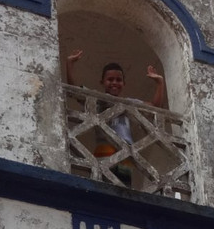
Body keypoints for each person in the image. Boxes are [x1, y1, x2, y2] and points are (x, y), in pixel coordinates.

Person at [65, 50, 165, 186]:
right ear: (102, 82)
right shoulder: (99, 99)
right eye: (110, 79)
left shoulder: (129, 103)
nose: (114, 83)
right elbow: (76, 91)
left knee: (123, 187)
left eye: (119, 80)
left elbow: (154, 106)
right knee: (104, 185)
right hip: (105, 149)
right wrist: (69, 64)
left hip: (125, 152)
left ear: (124, 83)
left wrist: (159, 83)